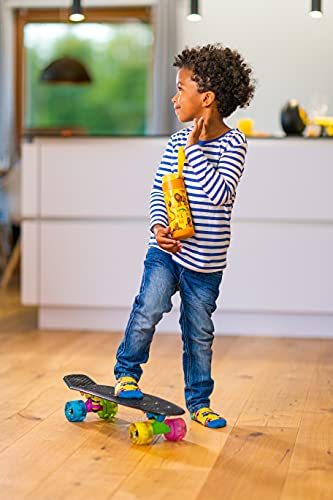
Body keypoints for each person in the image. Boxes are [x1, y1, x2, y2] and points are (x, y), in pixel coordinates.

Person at [114, 43, 255, 428]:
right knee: (148, 309)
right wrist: (158, 227)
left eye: (181, 89)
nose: (174, 97)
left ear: (206, 98)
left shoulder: (233, 144)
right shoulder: (176, 142)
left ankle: (199, 401)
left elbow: (220, 194)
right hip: (168, 253)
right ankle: (127, 372)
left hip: (206, 263)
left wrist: (194, 151)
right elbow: (161, 190)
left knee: (199, 334)